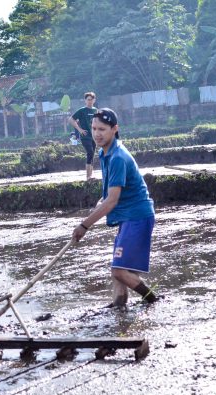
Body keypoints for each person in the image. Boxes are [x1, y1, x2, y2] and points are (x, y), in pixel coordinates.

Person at [71, 108, 157, 308]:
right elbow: (112, 192)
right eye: (94, 129)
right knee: (118, 271)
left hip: (137, 216)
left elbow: (112, 201)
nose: (97, 134)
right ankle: (119, 308)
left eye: (102, 129)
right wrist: (103, 199)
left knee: (119, 271)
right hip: (128, 217)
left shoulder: (117, 157)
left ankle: (153, 299)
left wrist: (84, 226)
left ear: (114, 129)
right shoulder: (105, 152)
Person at [68, 92, 98, 180]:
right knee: (90, 152)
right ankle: (88, 177)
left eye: (91, 99)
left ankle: (91, 176)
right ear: (85, 100)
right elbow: (71, 119)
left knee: (92, 155)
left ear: (94, 100)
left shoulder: (95, 110)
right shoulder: (82, 110)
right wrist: (79, 129)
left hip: (94, 136)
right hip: (85, 136)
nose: (90, 101)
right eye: (88, 99)